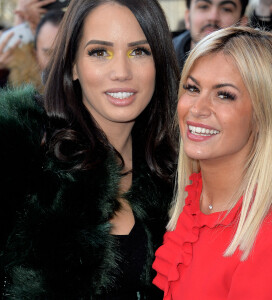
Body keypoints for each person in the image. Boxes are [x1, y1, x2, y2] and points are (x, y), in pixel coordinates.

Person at [0, 0, 179, 299]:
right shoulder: (19, 147)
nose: (121, 71)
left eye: (139, 51)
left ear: (159, 63)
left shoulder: (172, 173)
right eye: (99, 52)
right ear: (72, 65)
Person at [153, 26, 272, 299]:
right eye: (192, 88)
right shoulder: (194, 199)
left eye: (224, 95)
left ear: (264, 113)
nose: (197, 108)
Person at [173, 0, 249, 70]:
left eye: (226, 9)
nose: (213, 17)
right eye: (204, 6)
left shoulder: (253, 70)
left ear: (242, 23)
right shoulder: (164, 61)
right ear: (187, 18)